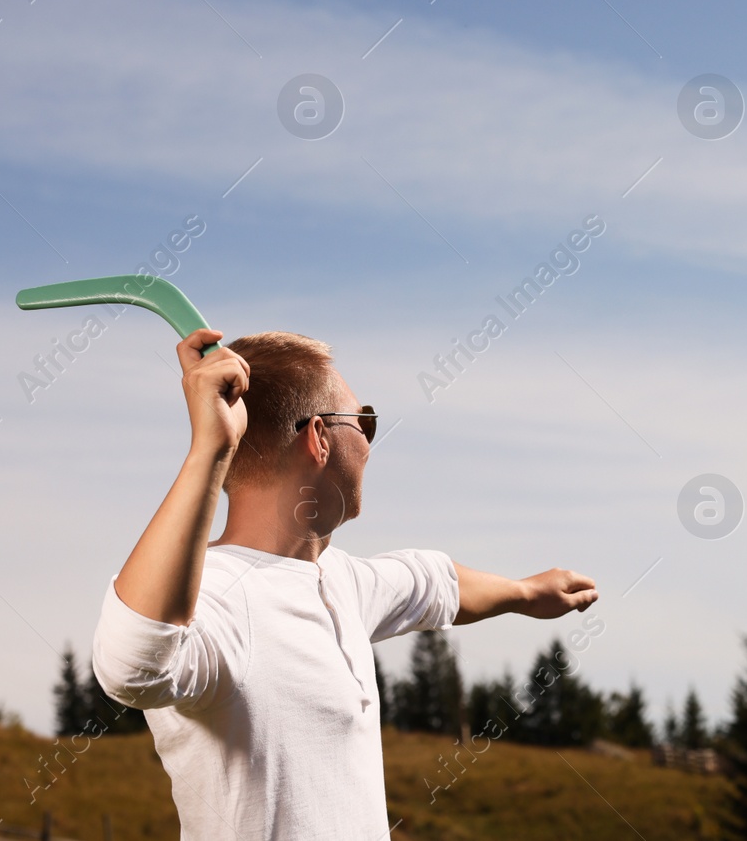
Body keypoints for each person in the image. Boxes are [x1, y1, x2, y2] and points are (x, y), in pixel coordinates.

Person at [93, 328, 599, 839]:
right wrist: (210, 448)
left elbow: (433, 579)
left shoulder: (341, 582)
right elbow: (131, 665)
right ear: (319, 437)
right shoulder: (215, 596)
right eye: (365, 423)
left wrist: (527, 593)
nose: (370, 445)